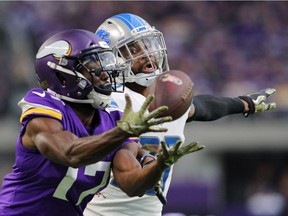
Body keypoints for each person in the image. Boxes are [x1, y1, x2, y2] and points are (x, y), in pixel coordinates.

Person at [84, 13, 277, 216]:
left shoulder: (167, 98)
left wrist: (244, 103)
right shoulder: (109, 103)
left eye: (146, 45)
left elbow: (202, 108)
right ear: (111, 60)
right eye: (133, 49)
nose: (146, 54)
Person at [0, 29, 204, 216]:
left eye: (105, 64)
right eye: (94, 67)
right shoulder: (45, 107)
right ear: (63, 78)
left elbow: (131, 183)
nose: (106, 74)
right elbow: (70, 152)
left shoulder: (113, 118)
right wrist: (122, 132)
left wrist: (159, 165)